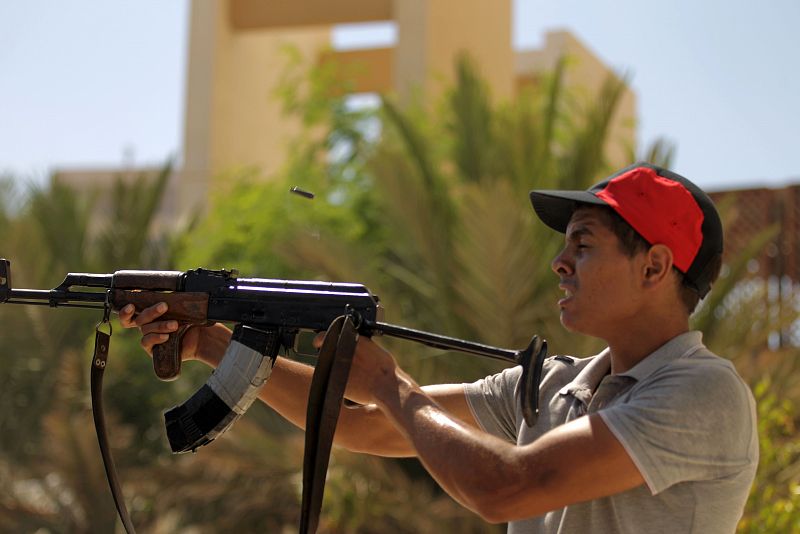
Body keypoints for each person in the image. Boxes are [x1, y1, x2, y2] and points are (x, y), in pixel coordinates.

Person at [120, 162, 758, 533]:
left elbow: (510, 487)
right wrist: (211, 342)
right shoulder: (551, 387)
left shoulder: (703, 394)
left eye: (583, 245)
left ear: (654, 267)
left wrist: (392, 386)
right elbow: (365, 426)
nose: (560, 264)